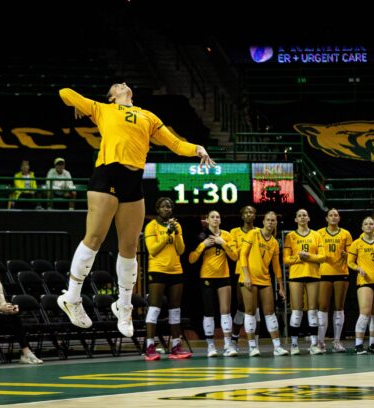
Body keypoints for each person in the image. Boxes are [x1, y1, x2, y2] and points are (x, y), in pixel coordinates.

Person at [56, 83, 214, 338]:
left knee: (129, 246)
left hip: (133, 180)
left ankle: (124, 305)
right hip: (107, 174)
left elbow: (175, 144)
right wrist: (80, 103)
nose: (122, 84)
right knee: (94, 238)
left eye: (124, 84)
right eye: (115, 86)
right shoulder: (102, 109)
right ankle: (72, 298)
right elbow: (64, 92)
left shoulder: (148, 116)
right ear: (111, 97)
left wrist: (197, 149)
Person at [143, 197, 191, 361]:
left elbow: (181, 250)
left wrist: (176, 233)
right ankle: (149, 346)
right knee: (155, 307)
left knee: (175, 309)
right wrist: (167, 234)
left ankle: (176, 346)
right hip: (158, 270)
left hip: (175, 270)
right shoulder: (151, 226)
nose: (167, 209)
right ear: (158, 209)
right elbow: (153, 249)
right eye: (163, 206)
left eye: (169, 207)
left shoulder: (176, 226)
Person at [189, 209, 238, 357]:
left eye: (218, 217)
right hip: (207, 277)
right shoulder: (201, 236)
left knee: (225, 311)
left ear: (220, 220)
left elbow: (235, 257)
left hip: (224, 276)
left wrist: (223, 243)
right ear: (207, 220)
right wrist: (202, 245)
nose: (216, 219)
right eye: (213, 217)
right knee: (209, 312)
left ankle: (228, 345)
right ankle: (210, 346)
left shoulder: (227, 235)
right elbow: (191, 259)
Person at [240, 211, 288, 356]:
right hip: (249, 278)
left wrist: (281, 286)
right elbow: (243, 255)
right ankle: (252, 347)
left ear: (275, 223)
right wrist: (247, 275)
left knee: (270, 312)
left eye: (273, 220)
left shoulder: (274, 242)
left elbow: (276, 266)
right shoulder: (253, 234)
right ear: (263, 221)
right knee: (250, 312)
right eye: (268, 219)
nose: (270, 222)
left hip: (265, 279)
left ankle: (277, 347)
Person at [347, 216, 374, 354]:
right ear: (362, 227)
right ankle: (358, 345)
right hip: (364, 282)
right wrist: (358, 268)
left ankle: (373, 344)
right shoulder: (356, 243)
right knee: (365, 313)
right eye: (365, 224)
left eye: (371, 224)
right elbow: (350, 262)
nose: (368, 226)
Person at [283, 208, 325, 355]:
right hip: (296, 276)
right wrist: (298, 258)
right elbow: (286, 259)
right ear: (296, 219)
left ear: (309, 218)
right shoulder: (290, 236)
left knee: (312, 310)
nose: (302, 217)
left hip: (313, 275)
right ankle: (294, 345)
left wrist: (309, 257)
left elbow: (322, 257)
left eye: (304, 215)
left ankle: (314, 344)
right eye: (299, 215)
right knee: (296, 310)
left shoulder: (316, 235)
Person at [316, 208, 353, 353]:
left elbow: (352, 254)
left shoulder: (345, 234)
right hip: (323, 273)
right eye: (330, 215)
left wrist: (346, 255)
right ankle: (320, 342)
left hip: (341, 273)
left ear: (339, 218)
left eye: (336, 215)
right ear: (326, 218)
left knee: (339, 307)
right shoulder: (319, 233)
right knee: (323, 307)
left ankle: (337, 341)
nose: (333, 217)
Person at [229, 205, 258, 350]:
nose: (248, 214)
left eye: (251, 212)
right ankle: (234, 339)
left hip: (258, 273)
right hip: (241, 273)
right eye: (246, 212)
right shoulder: (234, 232)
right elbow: (234, 254)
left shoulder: (259, 232)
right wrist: (247, 243)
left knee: (255, 309)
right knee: (243, 308)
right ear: (242, 216)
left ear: (255, 215)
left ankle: (254, 343)